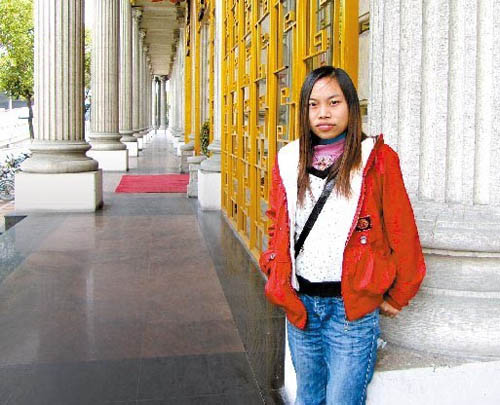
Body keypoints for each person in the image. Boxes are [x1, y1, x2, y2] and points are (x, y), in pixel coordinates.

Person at [259, 66, 426, 405]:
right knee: (308, 396)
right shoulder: (289, 159)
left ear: (351, 105)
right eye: (314, 104)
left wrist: (400, 294)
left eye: (333, 102)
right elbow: (278, 222)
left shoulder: (376, 160)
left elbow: (402, 230)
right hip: (301, 305)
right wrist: (275, 268)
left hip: (350, 311)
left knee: (342, 400)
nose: (323, 113)